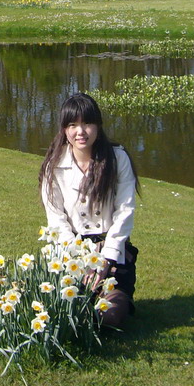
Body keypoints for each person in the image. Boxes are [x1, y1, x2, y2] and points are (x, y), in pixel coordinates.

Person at [38, 92, 139, 327]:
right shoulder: (53, 166)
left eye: (87, 123)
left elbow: (124, 211)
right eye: (73, 125)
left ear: (98, 126)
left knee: (110, 315)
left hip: (112, 254)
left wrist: (104, 261)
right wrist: (79, 260)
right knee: (63, 307)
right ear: (64, 129)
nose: (80, 132)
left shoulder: (117, 159)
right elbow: (56, 219)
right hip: (71, 254)